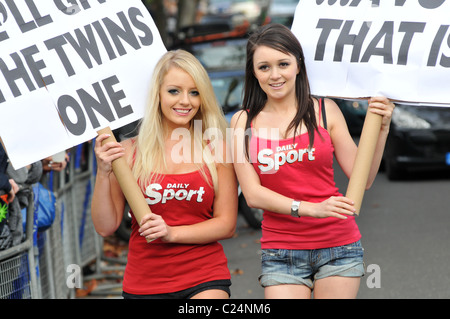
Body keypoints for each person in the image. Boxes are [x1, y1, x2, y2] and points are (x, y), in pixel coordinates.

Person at [230, 24, 394, 299]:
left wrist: (383, 129)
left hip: (339, 245)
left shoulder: (324, 111)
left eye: (283, 63)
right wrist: (310, 209)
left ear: (298, 64)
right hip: (281, 251)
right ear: (253, 71)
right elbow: (253, 195)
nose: (275, 75)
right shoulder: (241, 122)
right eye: (264, 67)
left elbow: (362, 179)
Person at [91, 50, 238, 299]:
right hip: (144, 282)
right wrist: (103, 173)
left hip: (205, 276)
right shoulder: (127, 152)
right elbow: (106, 226)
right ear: (157, 93)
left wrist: (171, 233)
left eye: (194, 92)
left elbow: (227, 225)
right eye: (174, 91)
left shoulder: (217, 148)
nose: (185, 101)